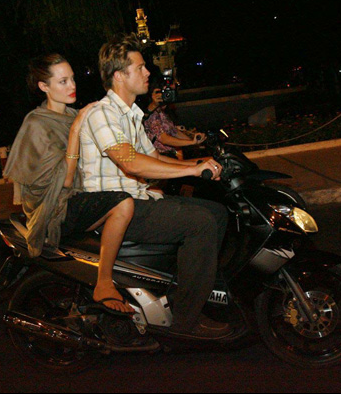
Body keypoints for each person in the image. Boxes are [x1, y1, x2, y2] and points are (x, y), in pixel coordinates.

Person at [79, 33, 231, 339]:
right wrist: (193, 169)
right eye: (139, 67)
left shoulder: (132, 116)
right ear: (119, 76)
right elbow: (131, 162)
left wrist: (201, 163)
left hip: (139, 200)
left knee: (217, 213)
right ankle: (186, 321)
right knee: (200, 223)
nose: (148, 72)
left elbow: (154, 157)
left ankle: (183, 288)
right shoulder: (102, 114)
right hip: (116, 209)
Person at [3, 54, 135, 314]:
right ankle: (104, 283)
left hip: (81, 195)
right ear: (44, 86)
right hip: (56, 209)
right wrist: (75, 129)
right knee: (123, 204)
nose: (72, 86)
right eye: (63, 81)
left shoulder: (74, 114)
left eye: (73, 79)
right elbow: (63, 180)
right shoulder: (37, 124)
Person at [143, 77, 206, 160]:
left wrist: (196, 141)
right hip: (160, 158)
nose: (168, 93)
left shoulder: (163, 112)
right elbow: (164, 139)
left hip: (170, 156)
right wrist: (191, 142)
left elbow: (175, 132)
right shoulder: (152, 113)